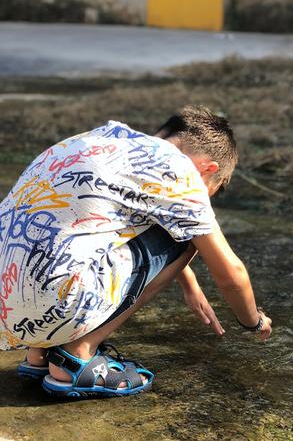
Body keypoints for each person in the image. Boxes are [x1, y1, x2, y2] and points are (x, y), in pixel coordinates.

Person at [0, 106, 272, 398]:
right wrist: (253, 321)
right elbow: (232, 275)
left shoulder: (103, 139)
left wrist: (189, 283)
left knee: (62, 239)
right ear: (208, 169)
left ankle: (38, 356)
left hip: (6, 311)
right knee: (191, 237)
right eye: (209, 192)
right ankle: (76, 355)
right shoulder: (179, 171)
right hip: (56, 298)